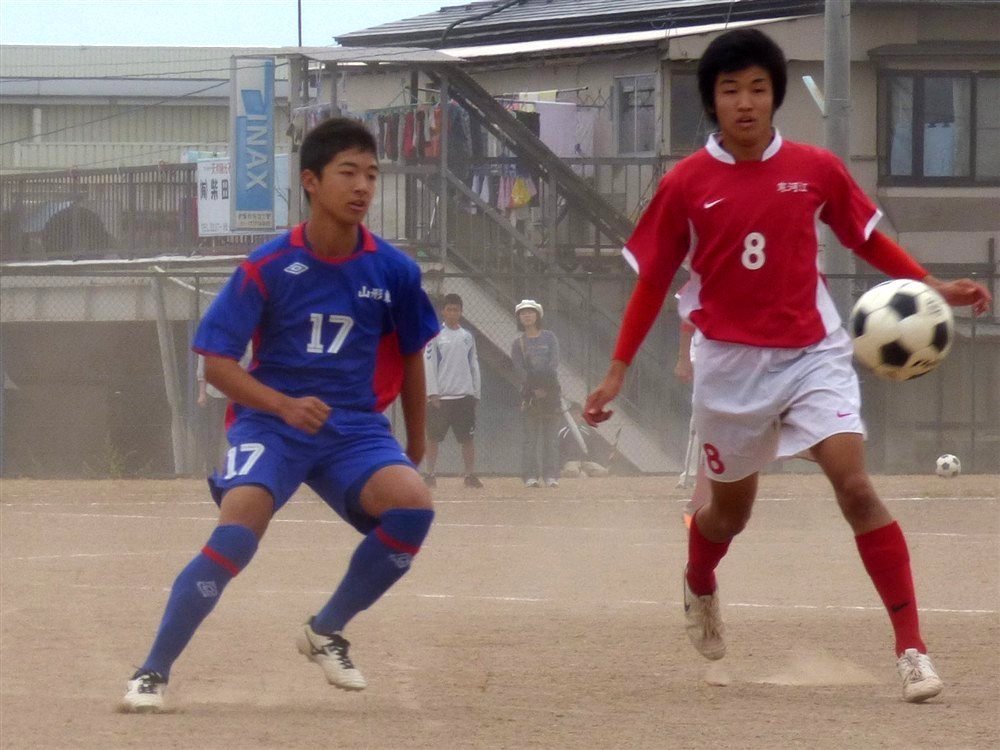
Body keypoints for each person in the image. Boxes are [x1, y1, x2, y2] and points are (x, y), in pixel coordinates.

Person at [583, 29, 991, 704]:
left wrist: (932, 286)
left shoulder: (815, 168)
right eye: (730, 89)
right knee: (727, 518)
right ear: (712, 101)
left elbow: (865, 237)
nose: (745, 102)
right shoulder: (685, 183)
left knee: (855, 487)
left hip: (813, 352)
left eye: (758, 88)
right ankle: (700, 580)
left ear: (775, 96)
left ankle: (912, 650)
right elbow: (653, 282)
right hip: (729, 366)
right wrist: (616, 370)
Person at [121, 117, 440, 713]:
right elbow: (216, 365)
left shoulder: (394, 271)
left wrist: (415, 444)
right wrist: (283, 405)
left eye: (372, 175)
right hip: (272, 423)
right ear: (310, 182)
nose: (363, 186)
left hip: (353, 428)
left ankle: (326, 630)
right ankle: (151, 673)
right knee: (237, 530)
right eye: (348, 172)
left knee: (413, 508)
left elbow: (411, 355)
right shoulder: (267, 265)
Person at [422, 292, 484, 488]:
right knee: (433, 438)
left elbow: (474, 364)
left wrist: (475, 392)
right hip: (441, 397)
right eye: (449, 309)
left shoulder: (467, 337)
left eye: (456, 310)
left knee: (467, 438)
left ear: (461, 312)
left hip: (464, 396)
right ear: (443, 311)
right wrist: (432, 393)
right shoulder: (434, 336)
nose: (452, 313)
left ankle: (469, 475)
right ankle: (430, 474)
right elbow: (429, 363)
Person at [511, 299, 562, 488]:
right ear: (519, 318)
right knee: (530, 438)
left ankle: (551, 476)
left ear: (538, 315)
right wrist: (533, 388)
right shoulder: (518, 343)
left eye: (530, 312)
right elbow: (519, 369)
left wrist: (545, 387)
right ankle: (530, 476)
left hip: (551, 393)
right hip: (530, 394)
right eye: (523, 313)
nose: (527, 315)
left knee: (551, 438)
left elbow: (553, 362)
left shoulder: (550, 337)